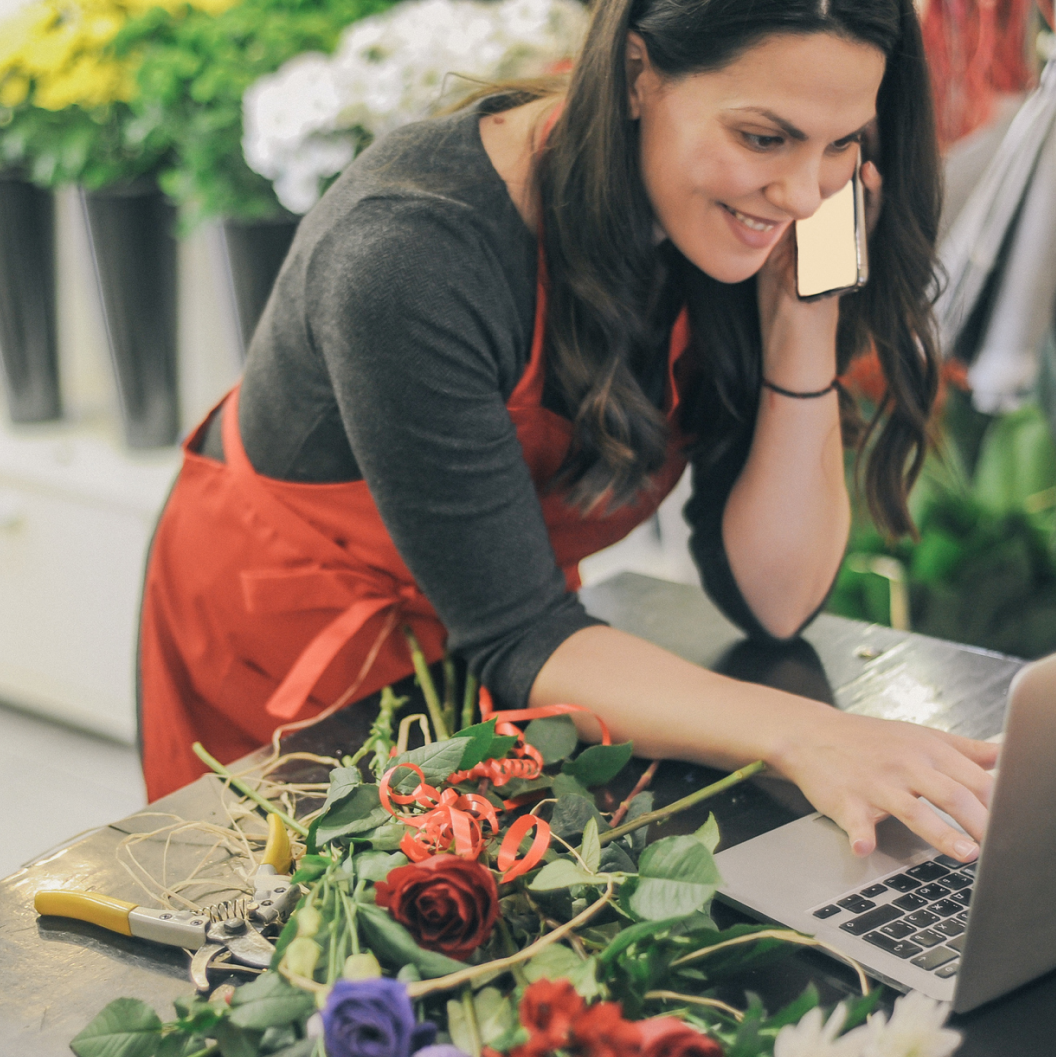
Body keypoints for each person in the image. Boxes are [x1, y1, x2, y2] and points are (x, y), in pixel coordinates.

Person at [139, 0, 998, 864]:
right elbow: (520, 633)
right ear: (635, 75)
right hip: (292, 661)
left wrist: (805, 321)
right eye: (764, 137)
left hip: (523, 653)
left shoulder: (742, 221)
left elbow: (774, 599)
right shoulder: (408, 251)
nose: (806, 193)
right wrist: (812, 737)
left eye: (843, 143)